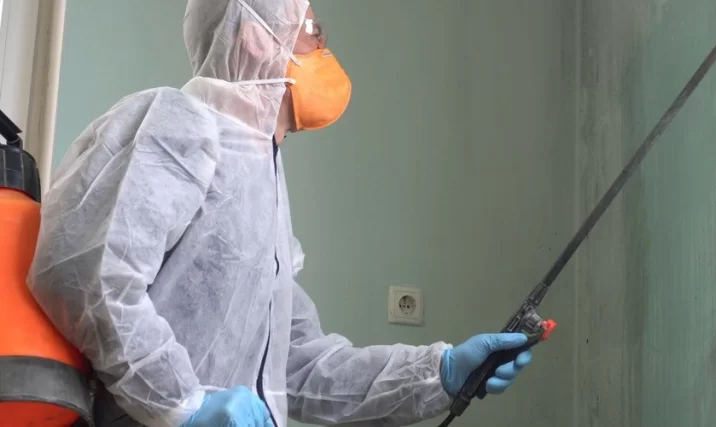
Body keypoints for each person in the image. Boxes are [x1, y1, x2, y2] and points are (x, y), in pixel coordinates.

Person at [28, 0, 533, 426]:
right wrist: (185, 405)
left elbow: (295, 365)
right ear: (255, 38)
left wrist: (440, 372)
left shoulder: (261, 176)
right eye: (313, 33)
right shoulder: (178, 126)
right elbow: (83, 273)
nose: (325, 50)